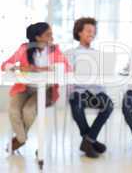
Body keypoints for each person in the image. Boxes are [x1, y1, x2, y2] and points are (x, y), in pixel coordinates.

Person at [1, 22, 71, 152]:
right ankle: (22, 139)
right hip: (24, 87)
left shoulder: (54, 49)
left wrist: (47, 68)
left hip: (45, 90)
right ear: (38, 37)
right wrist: (19, 67)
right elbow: (5, 64)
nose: (52, 37)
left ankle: (18, 139)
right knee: (13, 111)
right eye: (48, 34)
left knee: (28, 110)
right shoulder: (24, 48)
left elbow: (67, 67)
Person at [67, 17, 113, 158]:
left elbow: (104, 74)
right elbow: (67, 74)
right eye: (88, 31)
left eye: (93, 31)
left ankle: (88, 140)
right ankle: (91, 141)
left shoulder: (98, 54)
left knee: (109, 105)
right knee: (76, 106)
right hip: (79, 91)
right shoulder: (71, 53)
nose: (91, 34)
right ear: (79, 32)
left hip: (96, 91)